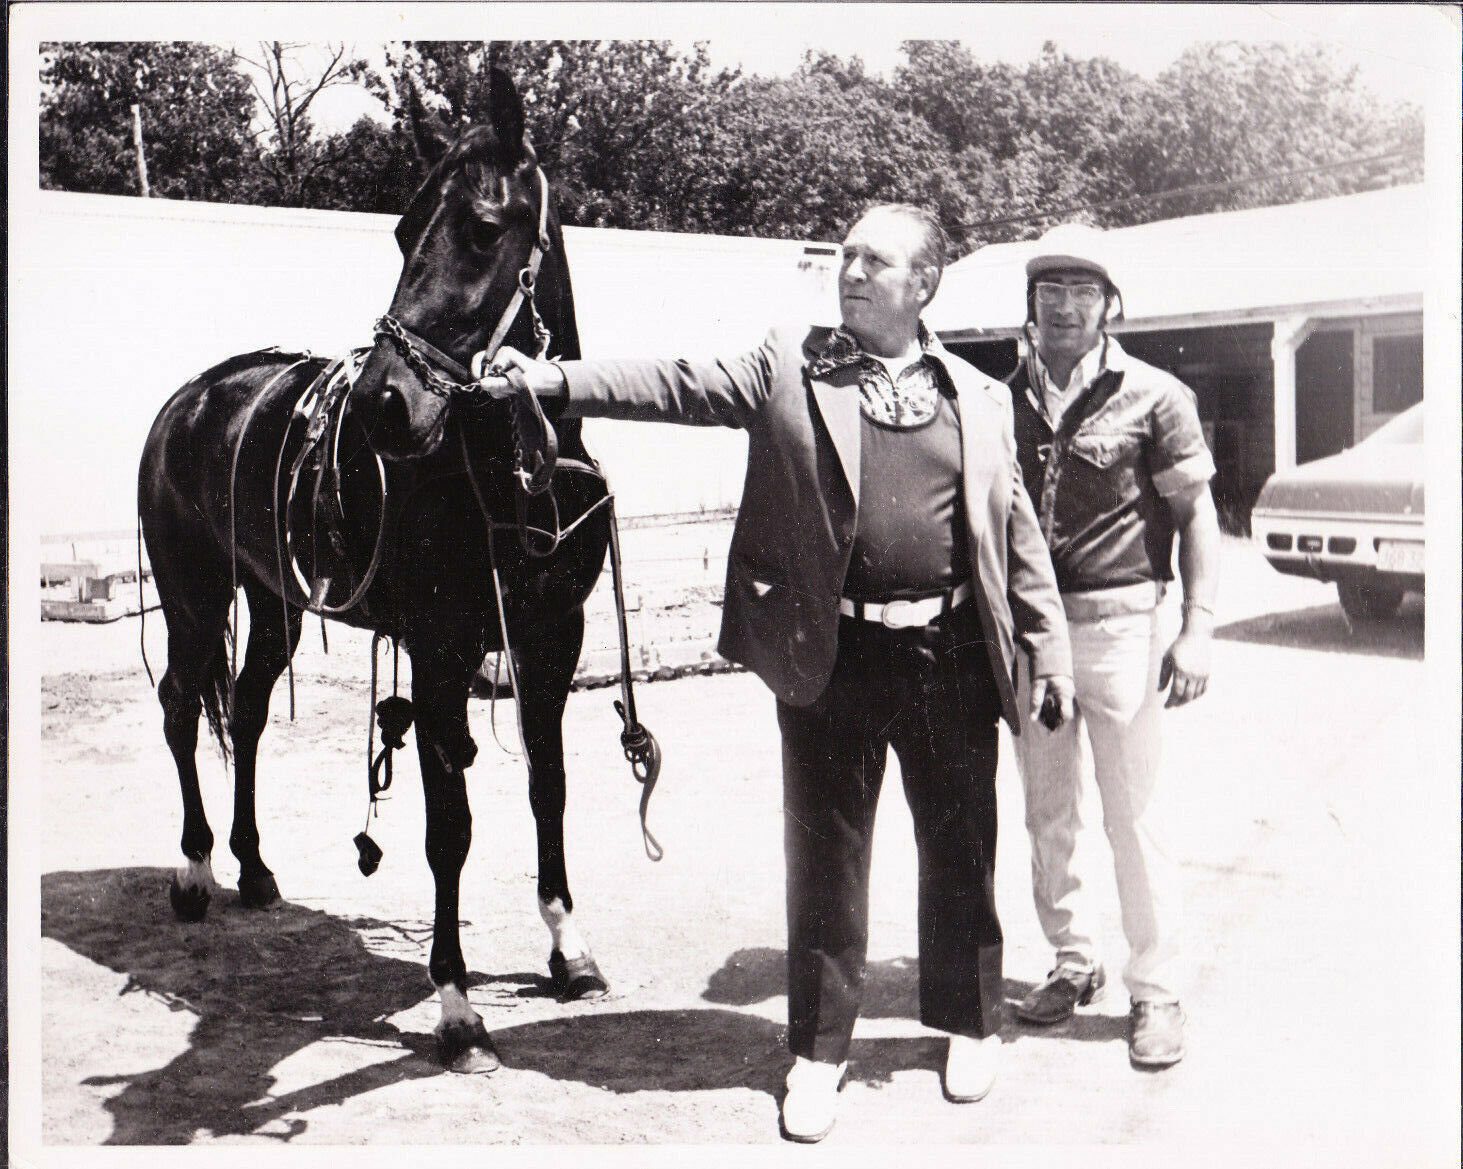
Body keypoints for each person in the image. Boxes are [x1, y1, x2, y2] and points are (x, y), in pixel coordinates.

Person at [485, 204, 1075, 1142]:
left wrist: (1046, 650)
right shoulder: (787, 365)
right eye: (843, 255)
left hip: (952, 654)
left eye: (872, 260)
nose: (848, 271)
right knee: (827, 857)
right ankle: (817, 1053)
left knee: (960, 842)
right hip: (831, 654)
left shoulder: (979, 392)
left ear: (923, 283)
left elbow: (1014, 534)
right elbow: (672, 384)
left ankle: (968, 1021)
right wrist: (552, 379)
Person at [1006, 222, 1220, 1069]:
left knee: (1135, 817)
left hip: (1123, 628)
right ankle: (1071, 959)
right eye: (1048, 294)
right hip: (1033, 635)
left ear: (1109, 307)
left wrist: (1197, 628)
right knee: (1046, 811)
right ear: (1030, 307)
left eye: (1081, 294)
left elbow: (1197, 513)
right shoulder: (1001, 396)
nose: (1062, 308)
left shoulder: (1155, 395)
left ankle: (1156, 988)